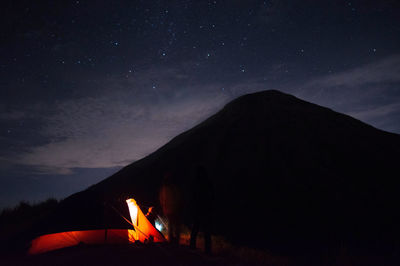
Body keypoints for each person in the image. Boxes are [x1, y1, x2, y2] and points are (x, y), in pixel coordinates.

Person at [190, 165, 214, 254]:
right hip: (205, 209)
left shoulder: (195, 183)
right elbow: (211, 195)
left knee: (195, 228)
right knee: (206, 230)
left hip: (198, 209)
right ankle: (207, 249)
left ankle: (192, 246)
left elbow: (193, 197)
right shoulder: (207, 182)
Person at [159, 171, 182, 245]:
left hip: (168, 208)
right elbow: (178, 197)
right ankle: (175, 240)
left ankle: (171, 239)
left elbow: (161, 199)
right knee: (175, 224)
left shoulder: (163, 188)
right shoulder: (173, 188)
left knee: (171, 224)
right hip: (173, 207)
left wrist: (163, 206)